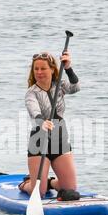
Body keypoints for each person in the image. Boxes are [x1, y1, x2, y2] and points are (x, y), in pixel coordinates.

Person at [18, 51, 80, 198]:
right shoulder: (31, 93)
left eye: (43, 68)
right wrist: (42, 121)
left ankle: (50, 182)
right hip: (40, 140)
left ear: (52, 69)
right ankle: (25, 184)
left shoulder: (60, 85)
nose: (39, 72)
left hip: (60, 139)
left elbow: (76, 87)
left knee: (70, 190)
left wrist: (68, 68)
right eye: (36, 69)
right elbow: (34, 110)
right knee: (38, 192)